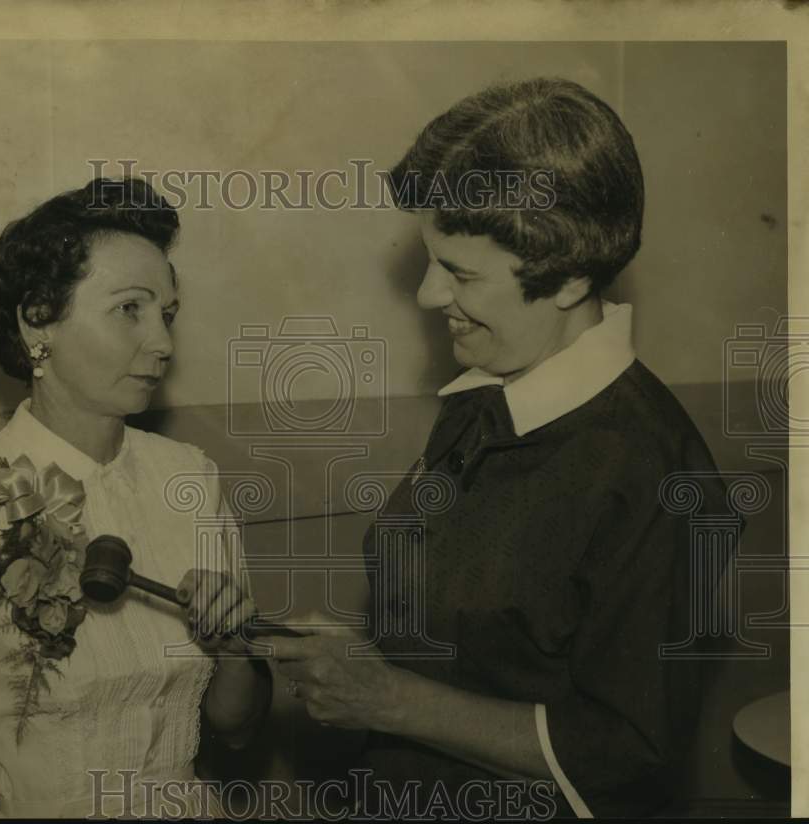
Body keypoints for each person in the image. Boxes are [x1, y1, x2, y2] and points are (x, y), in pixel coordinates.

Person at [260, 77, 732, 819]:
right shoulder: (482, 400)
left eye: (459, 272)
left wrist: (388, 698)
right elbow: (485, 643)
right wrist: (363, 663)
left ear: (570, 275)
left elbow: (627, 750)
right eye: (429, 260)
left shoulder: (656, 474)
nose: (426, 295)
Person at [0, 177, 271, 818]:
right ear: (38, 321)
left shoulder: (190, 477)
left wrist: (232, 648)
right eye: (128, 309)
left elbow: (237, 727)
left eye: (166, 314)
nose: (163, 344)